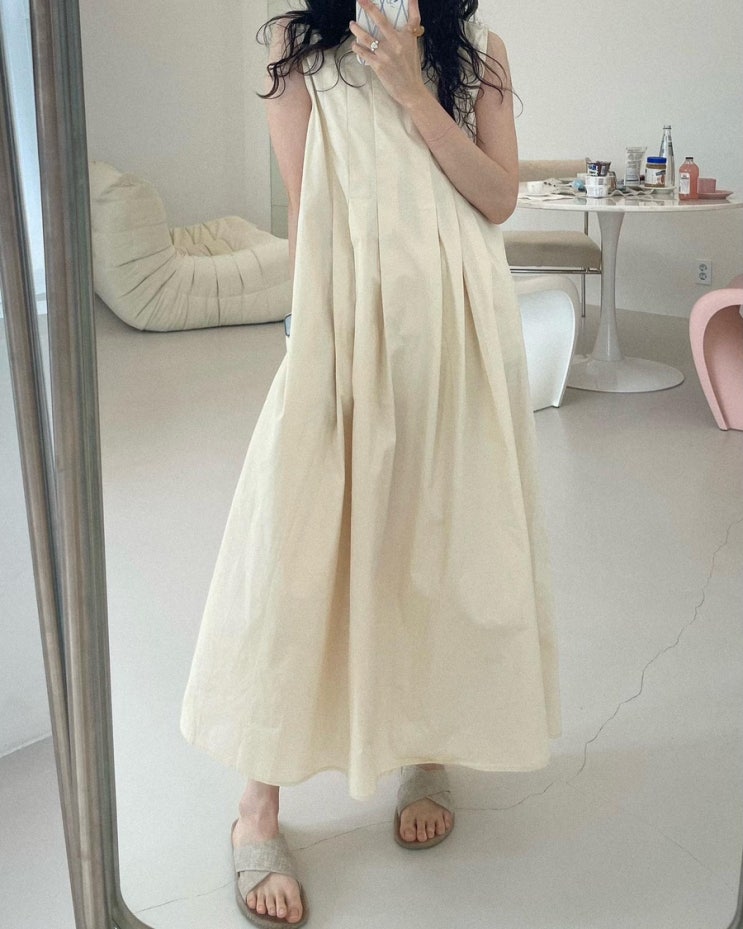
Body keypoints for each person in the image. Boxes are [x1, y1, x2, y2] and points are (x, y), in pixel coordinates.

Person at [180, 0, 561, 925]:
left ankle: (425, 743)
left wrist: (412, 92)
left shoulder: (477, 49)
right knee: (294, 548)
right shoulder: (298, 49)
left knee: (438, 540)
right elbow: (307, 206)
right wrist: (309, 338)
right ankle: (256, 806)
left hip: (457, 327)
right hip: (346, 326)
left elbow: (498, 197)